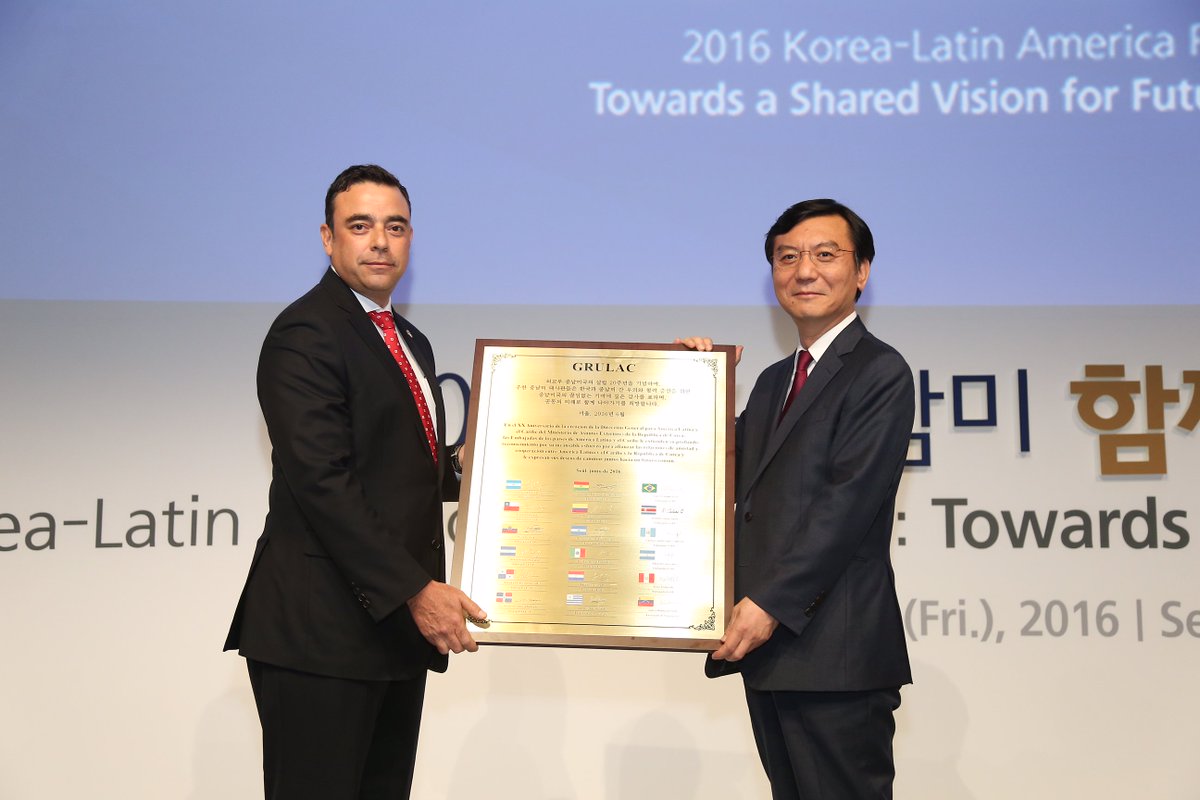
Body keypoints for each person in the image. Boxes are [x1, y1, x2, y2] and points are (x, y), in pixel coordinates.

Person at [224, 164, 486, 800]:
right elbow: (323, 482)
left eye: (395, 227)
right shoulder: (305, 332)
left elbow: (403, 470)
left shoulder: (410, 340)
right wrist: (416, 591)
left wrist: (477, 467)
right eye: (360, 225)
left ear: (410, 239)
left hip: (390, 634)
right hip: (321, 635)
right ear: (328, 238)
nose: (379, 242)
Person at [679, 199, 914, 799]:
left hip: (835, 653)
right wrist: (689, 387)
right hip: (773, 652)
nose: (804, 270)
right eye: (787, 257)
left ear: (861, 272)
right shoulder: (771, 381)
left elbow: (845, 507)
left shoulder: (880, 371)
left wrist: (768, 604)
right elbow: (718, 475)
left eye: (825, 254)